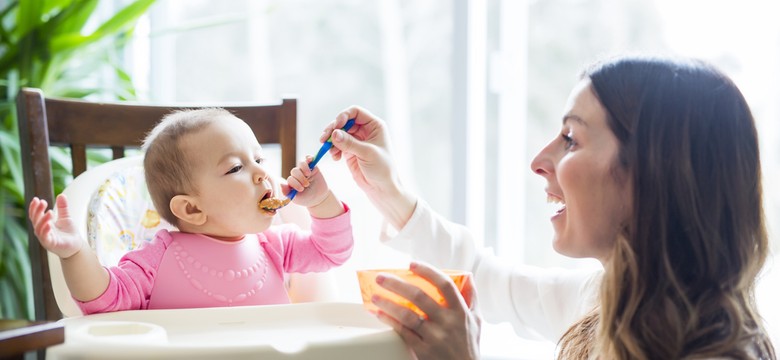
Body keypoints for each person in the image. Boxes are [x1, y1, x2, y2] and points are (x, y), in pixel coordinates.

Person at [321, 55, 776, 359]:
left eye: (572, 139)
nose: (539, 162)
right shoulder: (608, 300)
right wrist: (389, 190)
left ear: (654, 174)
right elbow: (484, 275)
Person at [27, 108, 353, 314]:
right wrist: (75, 253)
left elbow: (331, 252)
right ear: (191, 208)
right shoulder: (157, 259)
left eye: (259, 159)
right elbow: (105, 300)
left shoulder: (276, 245)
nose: (261, 173)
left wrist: (320, 201)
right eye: (236, 167)